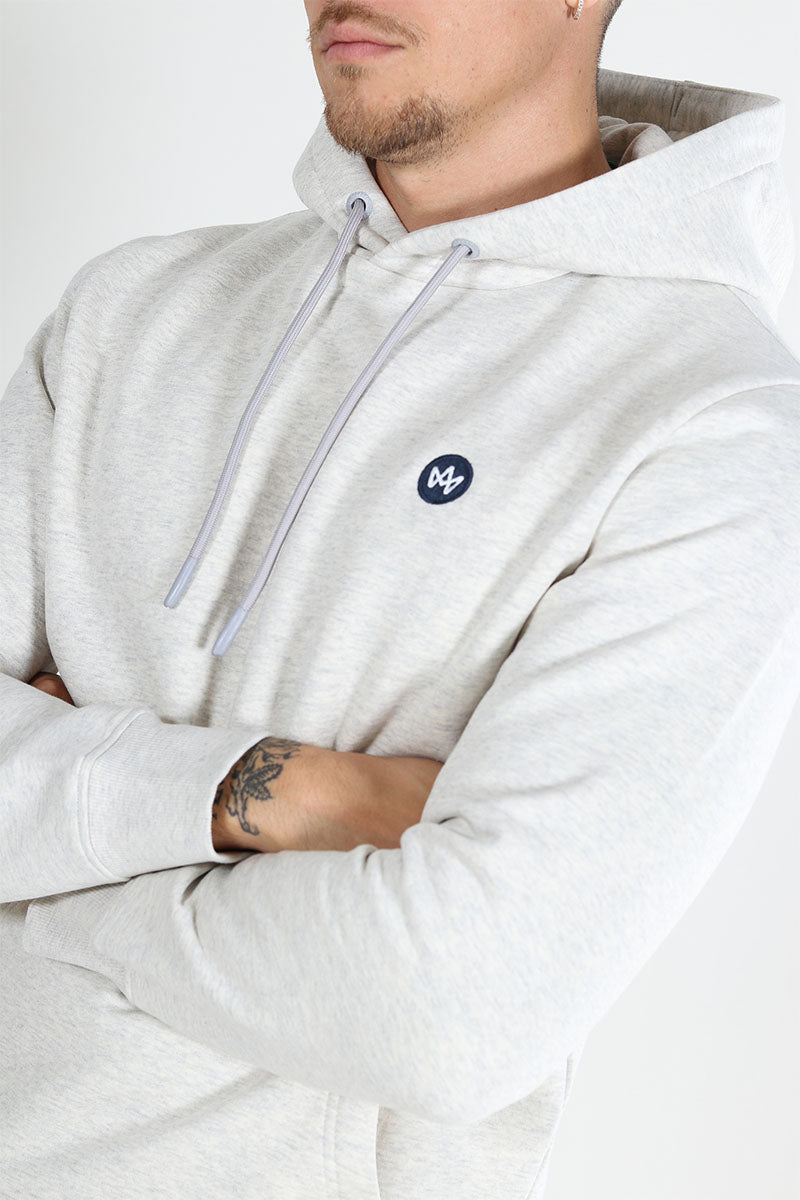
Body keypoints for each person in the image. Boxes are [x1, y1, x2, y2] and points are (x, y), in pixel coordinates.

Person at [2, 0, 800, 1195]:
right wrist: (288, 795)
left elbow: (455, 1008)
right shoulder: (130, 309)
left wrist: (40, 883)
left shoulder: (709, 421)